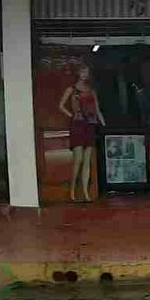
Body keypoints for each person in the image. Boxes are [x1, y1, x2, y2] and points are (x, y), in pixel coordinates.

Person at [58, 63, 105, 202]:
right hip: (77, 125)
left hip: (90, 124)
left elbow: (97, 109)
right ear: (78, 73)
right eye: (83, 71)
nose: (85, 74)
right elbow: (61, 105)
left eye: (87, 72)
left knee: (87, 160)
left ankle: (85, 192)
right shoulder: (71, 89)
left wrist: (103, 123)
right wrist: (71, 115)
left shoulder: (91, 90)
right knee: (78, 160)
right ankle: (72, 191)